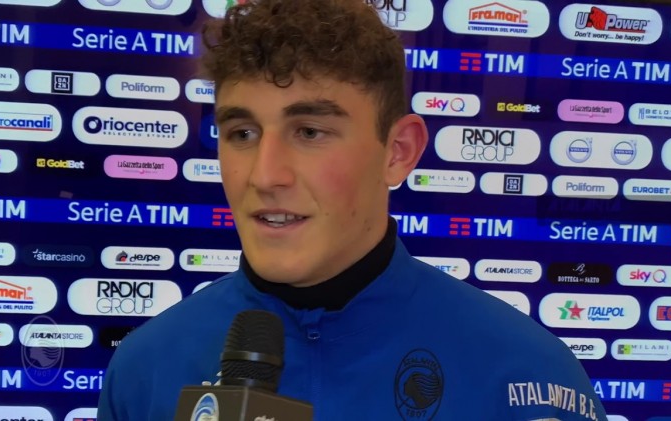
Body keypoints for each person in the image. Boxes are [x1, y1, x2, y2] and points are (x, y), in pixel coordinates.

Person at [98, 0, 607, 419]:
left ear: (398, 152)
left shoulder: (525, 376)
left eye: (309, 132)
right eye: (242, 133)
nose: (264, 175)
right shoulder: (146, 368)